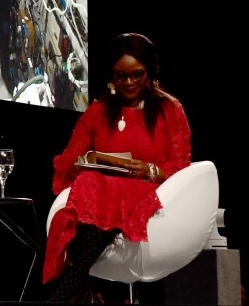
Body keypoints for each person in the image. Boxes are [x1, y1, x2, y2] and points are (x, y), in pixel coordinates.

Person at [43, 33, 192, 303]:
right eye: (120, 76)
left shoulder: (170, 109)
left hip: (154, 199)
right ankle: (79, 285)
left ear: (150, 71)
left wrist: (149, 170)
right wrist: (87, 161)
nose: (128, 83)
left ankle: (72, 286)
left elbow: (182, 165)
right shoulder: (98, 112)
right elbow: (70, 158)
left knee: (106, 189)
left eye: (137, 75)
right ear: (111, 75)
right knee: (92, 183)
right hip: (102, 196)